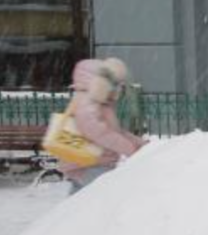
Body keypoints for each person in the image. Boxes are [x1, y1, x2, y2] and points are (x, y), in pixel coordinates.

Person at [61, 58, 147, 194]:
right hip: (90, 164)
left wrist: (142, 145)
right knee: (107, 198)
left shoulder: (99, 104)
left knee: (80, 205)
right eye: (113, 83)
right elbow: (100, 133)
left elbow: (115, 131)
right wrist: (130, 148)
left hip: (92, 163)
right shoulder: (87, 103)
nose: (117, 88)